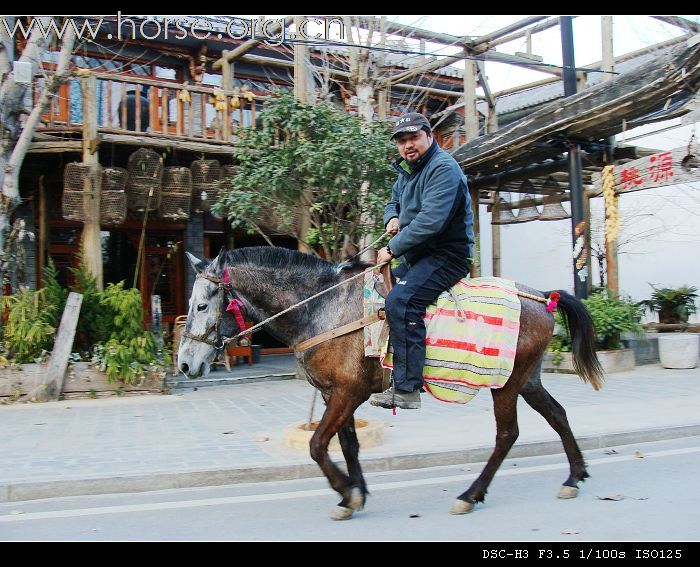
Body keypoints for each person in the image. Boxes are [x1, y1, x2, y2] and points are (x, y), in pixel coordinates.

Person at [369, 112, 474, 410]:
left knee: (401, 301)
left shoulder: (444, 169)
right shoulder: (408, 170)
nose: (407, 145)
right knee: (374, 290)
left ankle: (407, 388)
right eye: (401, 140)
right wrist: (392, 216)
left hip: (447, 256)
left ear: (430, 136)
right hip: (420, 255)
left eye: (413, 137)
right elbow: (393, 201)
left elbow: (431, 221)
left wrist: (392, 247)